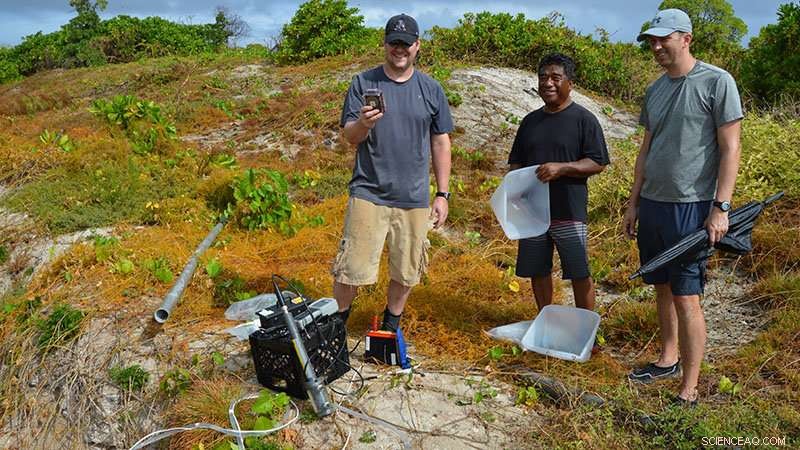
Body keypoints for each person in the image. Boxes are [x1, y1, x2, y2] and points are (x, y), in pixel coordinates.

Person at [623, 9, 743, 405]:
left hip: (692, 207)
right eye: (652, 41)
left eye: (664, 39)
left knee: (686, 295)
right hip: (654, 204)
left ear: (686, 38)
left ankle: (689, 388)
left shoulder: (716, 81)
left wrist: (720, 206)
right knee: (661, 285)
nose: (656, 47)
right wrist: (633, 201)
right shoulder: (656, 89)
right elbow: (646, 149)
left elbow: (730, 148)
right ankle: (667, 359)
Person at [332, 13, 453, 332]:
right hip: (368, 193)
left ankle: (390, 325)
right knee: (351, 268)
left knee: (407, 270)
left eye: (406, 43)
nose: (399, 49)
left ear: (417, 46)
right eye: (393, 43)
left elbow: (440, 141)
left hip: (413, 197)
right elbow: (350, 136)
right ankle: (336, 327)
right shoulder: (363, 82)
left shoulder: (431, 89)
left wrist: (442, 194)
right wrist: (365, 123)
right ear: (384, 44)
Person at [508, 53, 609, 314]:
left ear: (569, 83)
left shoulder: (583, 119)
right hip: (533, 213)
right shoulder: (530, 122)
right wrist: (516, 194)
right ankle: (545, 320)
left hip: (569, 211)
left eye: (555, 77)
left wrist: (562, 168)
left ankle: (586, 329)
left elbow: (597, 162)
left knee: (578, 271)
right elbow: (516, 163)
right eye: (543, 77)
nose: (548, 83)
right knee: (538, 269)